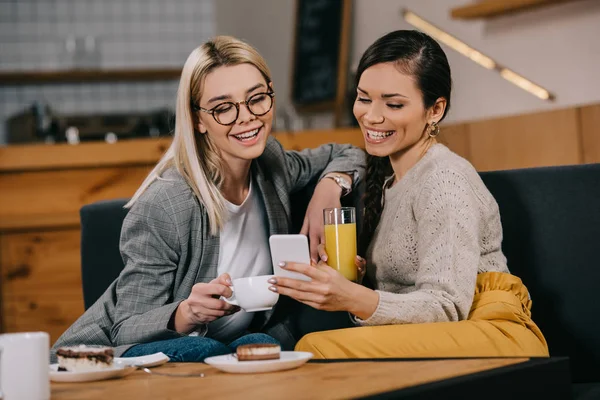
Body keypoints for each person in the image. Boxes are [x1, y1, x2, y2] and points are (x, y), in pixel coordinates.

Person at [50, 35, 365, 362]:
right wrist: (186, 312)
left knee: (260, 343)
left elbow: (348, 153)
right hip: (111, 358)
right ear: (198, 118)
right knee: (206, 350)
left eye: (256, 98)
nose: (246, 117)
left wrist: (329, 188)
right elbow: (126, 327)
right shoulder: (167, 203)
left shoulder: (270, 162)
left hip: (225, 344)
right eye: (223, 108)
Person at [269, 30, 549, 358]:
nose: (371, 116)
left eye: (394, 104)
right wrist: (352, 281)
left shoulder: (445, 178)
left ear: (435, 110)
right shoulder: (390, 182)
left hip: (493, 333)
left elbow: (447, 306)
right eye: (363, 98)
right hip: (441, 336)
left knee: (316, 348)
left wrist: (351, 297)